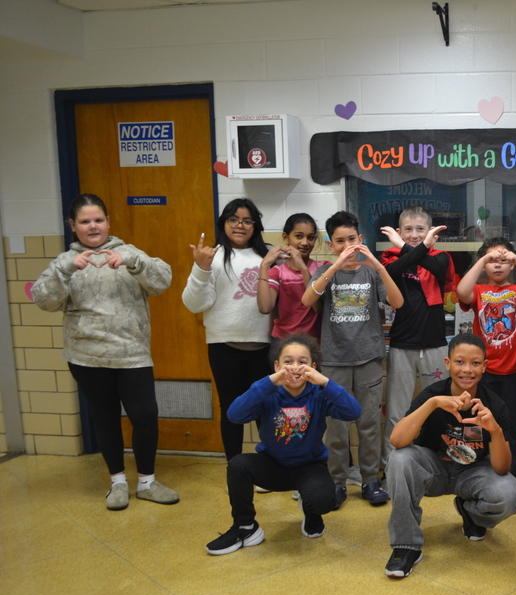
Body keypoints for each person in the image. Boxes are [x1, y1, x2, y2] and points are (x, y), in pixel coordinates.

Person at [32, 193, 178, 510]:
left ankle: (147, 483)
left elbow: (162, 281)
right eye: (85, 222)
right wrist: (66, 270)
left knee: (145, 416)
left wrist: (133, 263)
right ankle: (117, 483)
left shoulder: (129, 253)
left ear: (108, 222)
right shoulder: (63, 263)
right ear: (73, 226)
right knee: (105, 418)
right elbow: (44, 301)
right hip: (87, 356)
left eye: (98, 220)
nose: (93, 226)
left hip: (133, 353)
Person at [383, 333, 516, 578]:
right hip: (433, 469)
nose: (467, 370)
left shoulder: (495, 405)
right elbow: (397, 440)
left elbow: (502, 469)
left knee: (513, 495)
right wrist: (433, 404)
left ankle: (471, 513)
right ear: (447, 364)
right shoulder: (432, 395)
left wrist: (495, 430)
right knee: (399, 459)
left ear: (484, 367)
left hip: (472, 473)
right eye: (459, 362)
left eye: (475, 363)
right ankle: (406, 545)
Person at [205, 333, 361, 555]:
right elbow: (234, 415)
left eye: (302, 362)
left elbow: (353, 412)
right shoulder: (268, 392)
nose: (294, 367)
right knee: (238, 465)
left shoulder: (319, 393)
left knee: (324, 500)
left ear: (313, 367)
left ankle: (310, 510)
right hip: (273, 466)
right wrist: (268, 382)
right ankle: (246, 527)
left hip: (309, 466)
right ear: (277, 366)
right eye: (288, 362)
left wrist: (325, 382)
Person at [301, 211, 403, 506]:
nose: (347, 246)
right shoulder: (325, 271)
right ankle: (338, 482)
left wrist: (377, 265)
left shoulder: (371, 271)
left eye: (352, 239)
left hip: (369, 358)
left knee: (369, 423)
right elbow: (308, 300)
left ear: (361, 240)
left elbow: (397, 302)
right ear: (330, 244)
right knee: (336, 428)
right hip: (334, 361)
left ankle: (370, 481)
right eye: (339, 241)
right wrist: (334, 266)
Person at [182, 198, 273, 460]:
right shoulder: (212, 256)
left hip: (265, 345)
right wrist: (200, 268)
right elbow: (194, 304)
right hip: (224, 346)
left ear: (255, 225)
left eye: (247, 220)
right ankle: (234, 468)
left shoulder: (267, 255)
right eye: (233, 220)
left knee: (266, 408)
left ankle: (268, 466)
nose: (240, 226)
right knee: (231, 410)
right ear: (224, 223)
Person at [456, 237, 516, 506]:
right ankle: (482, 470)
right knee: (482, 422)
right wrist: (482, 260)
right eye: (492, 260)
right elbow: (461, 292)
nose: (498, 264)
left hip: (515, 369)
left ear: (513, 265)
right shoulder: (479, 290)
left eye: (504, 260)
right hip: (485, 372)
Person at [380, 206, 458, 467]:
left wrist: (412, 246)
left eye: (420, 230)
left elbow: (434, 268)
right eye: (408, 230)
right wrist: (409, 247)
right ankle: (391, 464)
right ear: (401, 232)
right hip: (402, 344)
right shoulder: (390, 258)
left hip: (436, 345)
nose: (414, 235)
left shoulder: (441, 257)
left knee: (437, 408)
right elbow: (393, 273)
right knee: (397, 409)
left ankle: (436, 462)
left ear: (430, 232)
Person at [257, 213, 329, 340]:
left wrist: (303, 269)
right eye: (298, 236)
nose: (305, 243)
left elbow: (317, 307)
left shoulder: (323, 268)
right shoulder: (277, 272)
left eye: (310, 237)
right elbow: (265, 307)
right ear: (286, 238)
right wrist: (264, 266)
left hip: (314, 341)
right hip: (283, 341)